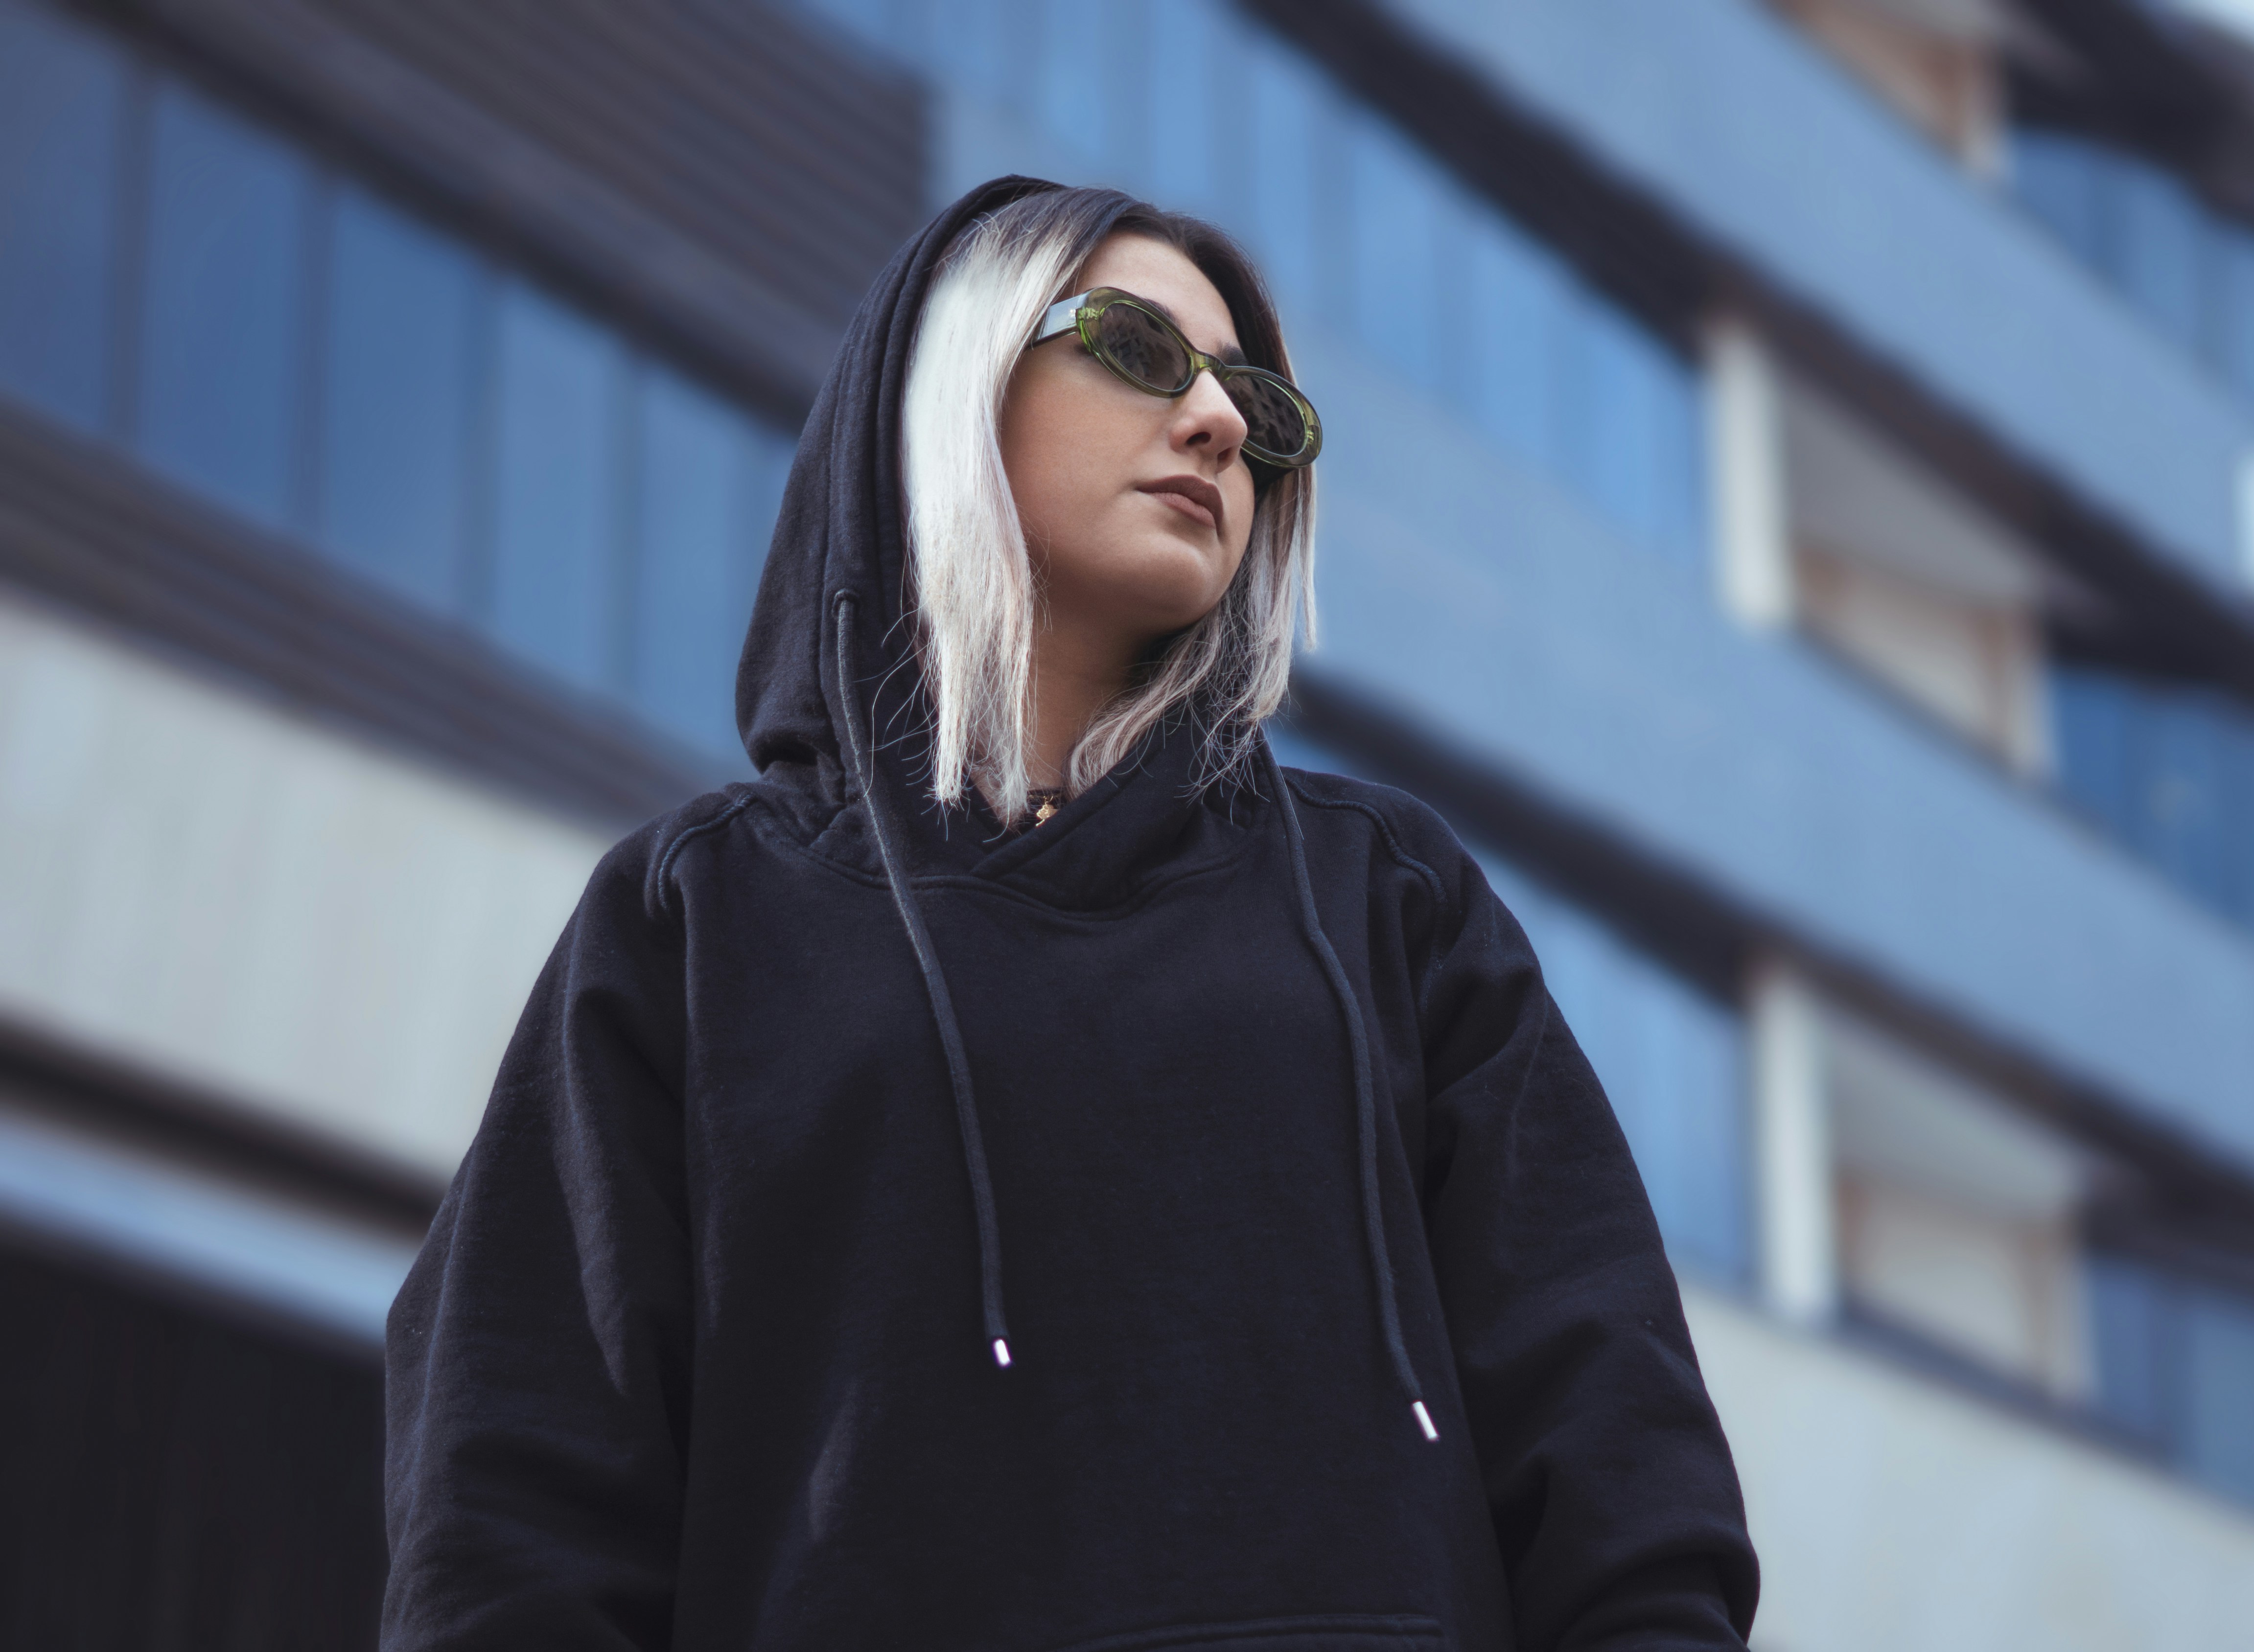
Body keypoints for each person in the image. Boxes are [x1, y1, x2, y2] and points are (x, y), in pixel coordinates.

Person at [378, 175, 1761, 1651]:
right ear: (953, 387)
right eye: (1136, 350)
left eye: (1260, 407)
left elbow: (1622, 1457)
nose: (1223, 424)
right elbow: (509, 1512)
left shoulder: (1391, 902)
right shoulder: (695, 924)